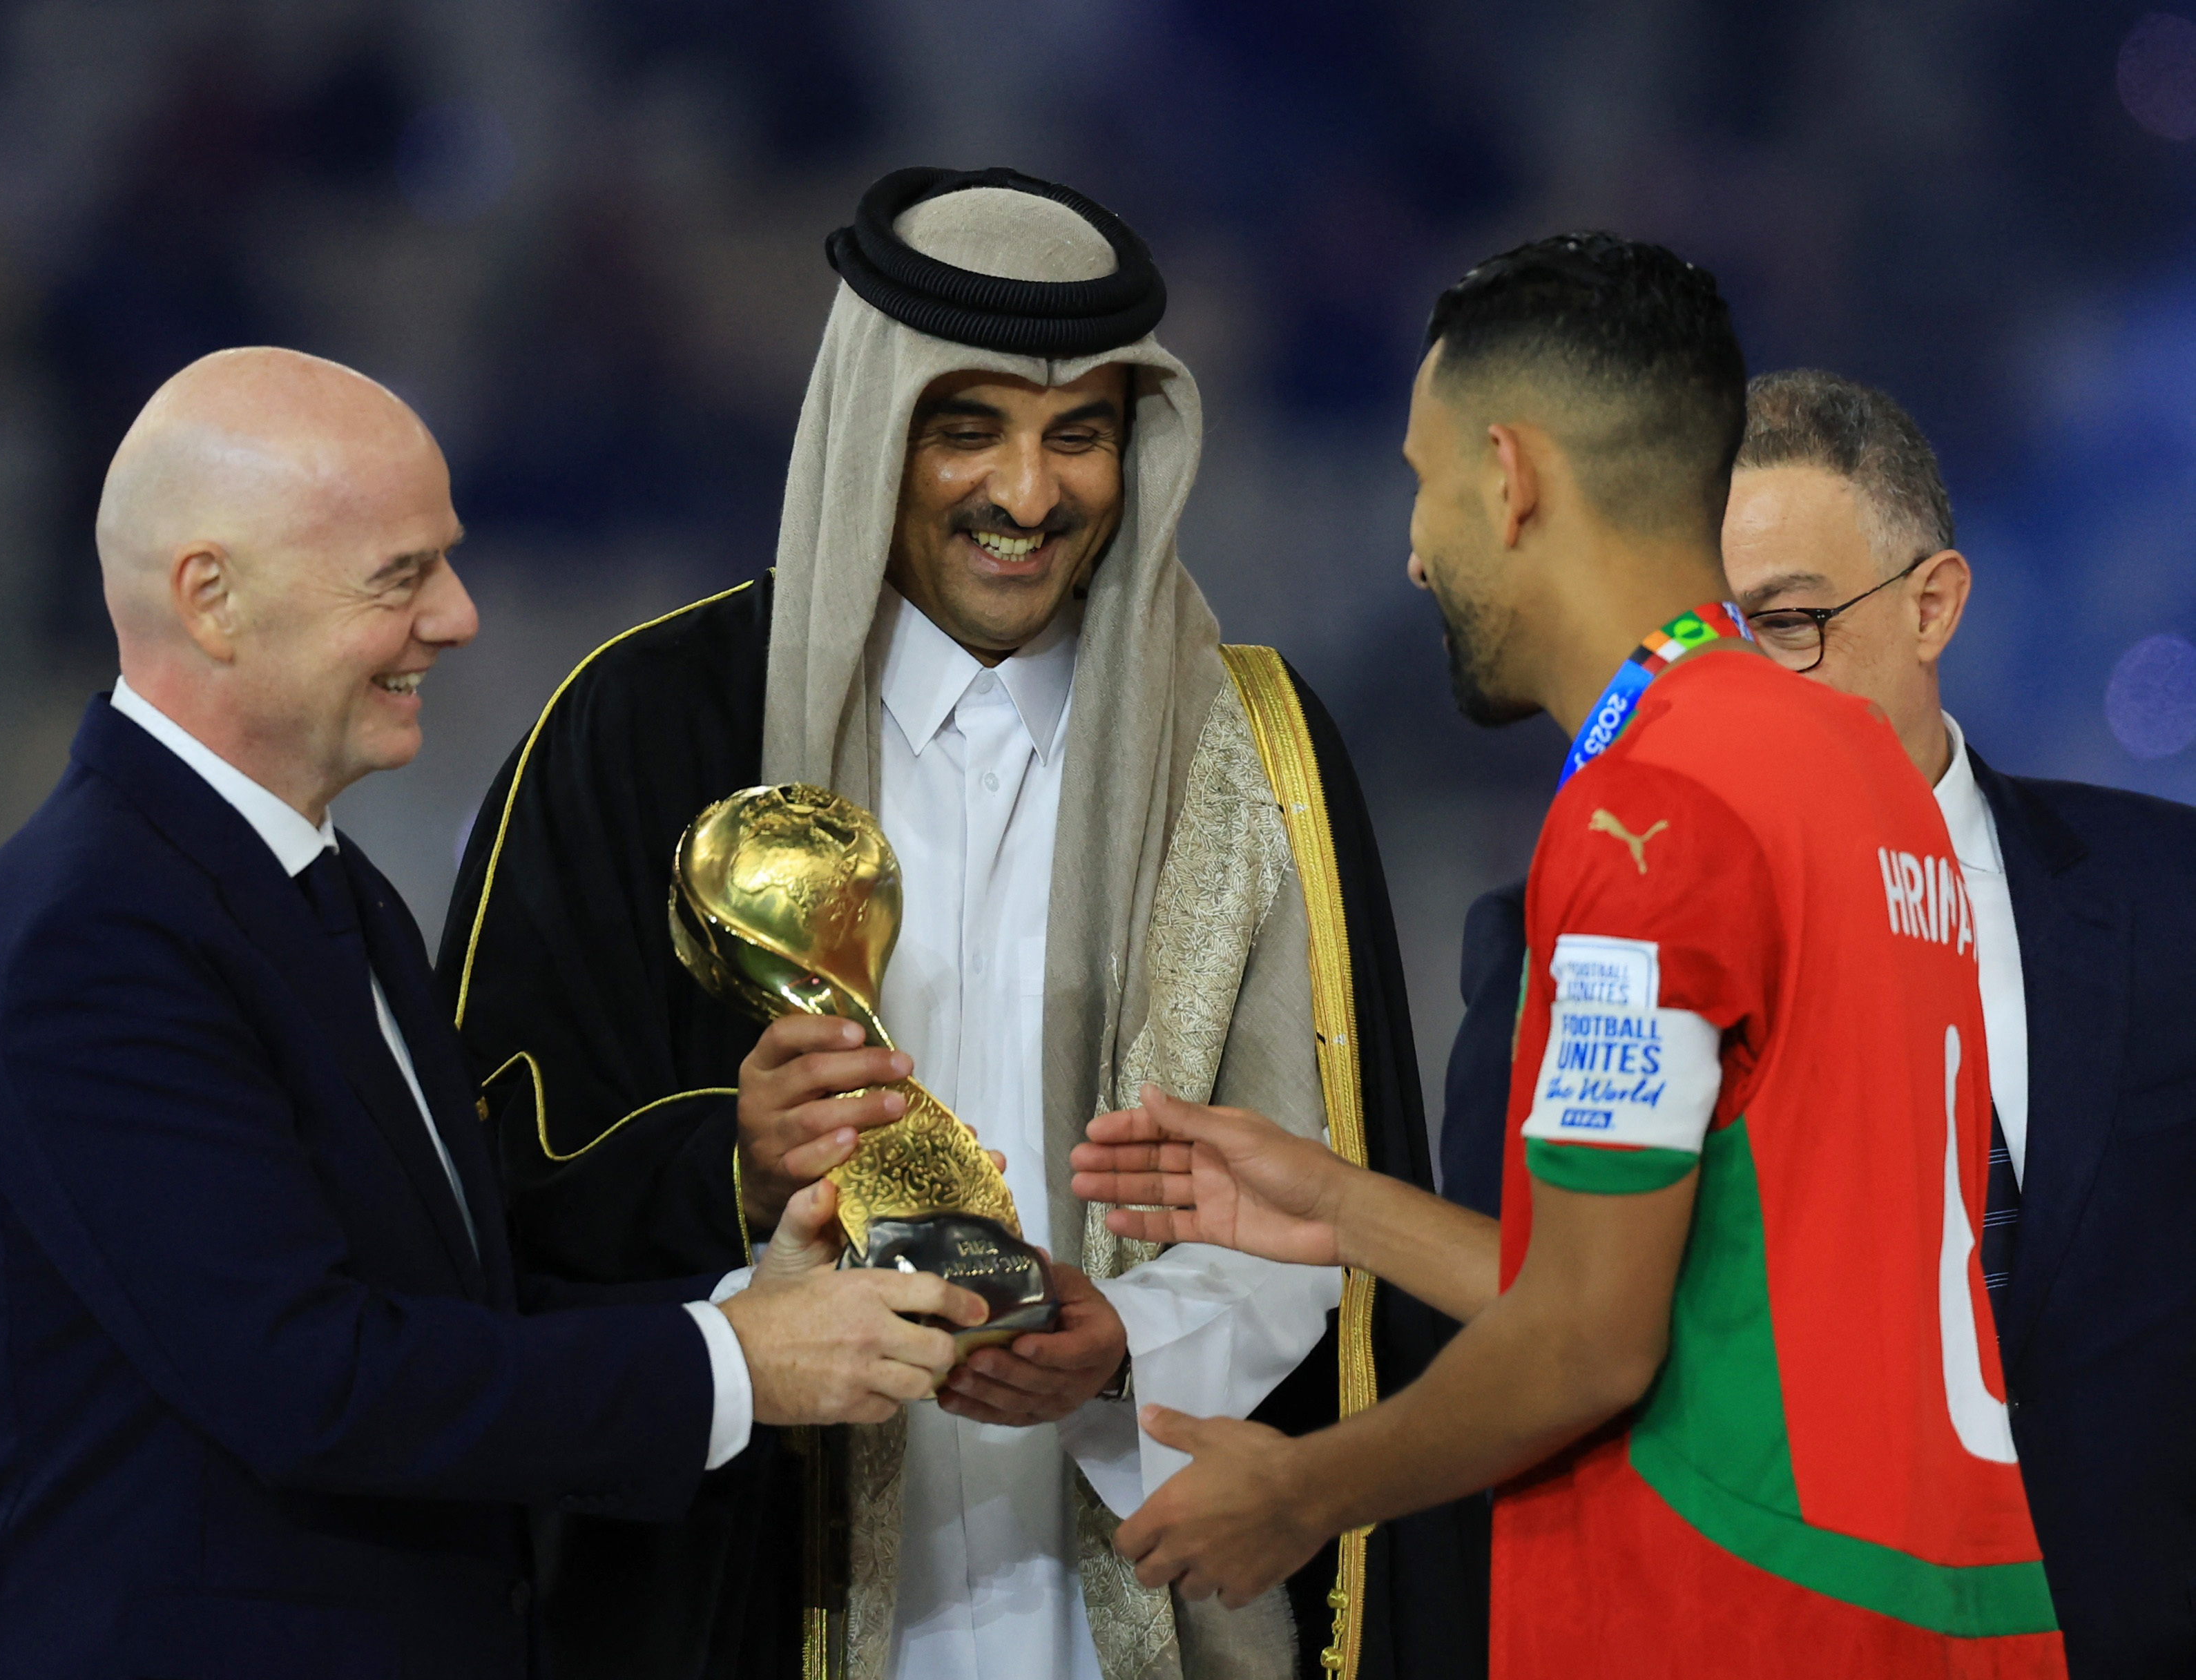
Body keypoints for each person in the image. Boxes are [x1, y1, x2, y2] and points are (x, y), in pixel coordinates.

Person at [437, 168, 1483, 1680]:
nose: (1026, 493)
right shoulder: (649, 726)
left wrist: (1123, 1340)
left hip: (1143, 1592)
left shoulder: (1249, 752)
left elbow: (1338, 1208)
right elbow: (493, 1171)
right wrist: (727, 1165)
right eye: (966, 429)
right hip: (749, 1587)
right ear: (876, 428)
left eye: (1080, 436)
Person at [1070, 234, 2066, 1675]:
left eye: (1423, 482)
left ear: (1510, 474)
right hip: (1945, 1611)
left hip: (1729, 1618)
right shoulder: (1850, 766)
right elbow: (1707, 1289)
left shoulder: (1655, 808)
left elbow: (1592, 1343)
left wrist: (1300, 1490)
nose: (1412, 547)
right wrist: (1349, 1207)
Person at [0, 347, 985, 1680]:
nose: (460, 617)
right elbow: (312, 1383)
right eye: (400, 575)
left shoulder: (321, 888)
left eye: (447, 562)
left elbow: (446, 1303)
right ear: (212, 599)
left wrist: (746, 1285)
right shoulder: (93, 939)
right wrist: (731, 1363)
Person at [1721, 369, 2196, 1677]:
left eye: (1792, 622)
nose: (1750, 680)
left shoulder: (2172, 902)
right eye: (1716, 634)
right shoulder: (1619, 949)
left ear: (1931, 604)